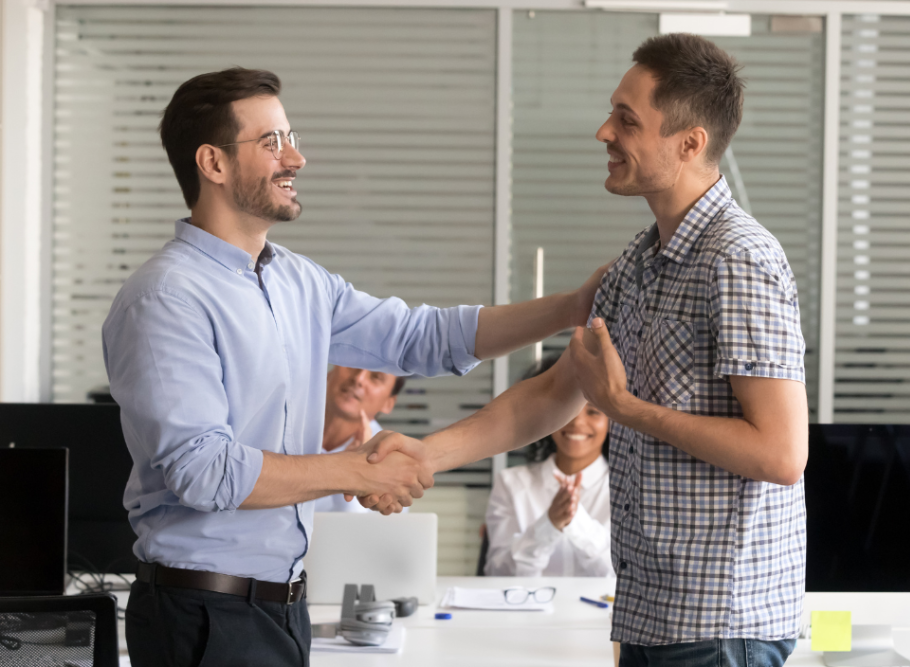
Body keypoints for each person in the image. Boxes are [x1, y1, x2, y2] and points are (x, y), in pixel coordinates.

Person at [102, 67, 606, 667]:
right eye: (272, 143)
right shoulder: (165, 298)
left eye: (290, 137)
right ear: (212, 163)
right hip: (202, 614)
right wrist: (358, 472)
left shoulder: (297, 280)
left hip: (283, 608)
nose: (297, 157)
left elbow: (423, 337)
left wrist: (571, 307)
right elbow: (204, 471)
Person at [365, 33, 808, 667]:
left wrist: (626, 410)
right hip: (653, 616)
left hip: (720, 624)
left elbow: (781, 453)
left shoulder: (739, 258)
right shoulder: (636, 263)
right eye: (611, 112)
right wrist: (423, 455)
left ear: (690, 143)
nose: (605, 132)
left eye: (628, 120)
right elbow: (552, 393)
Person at [484, 355, 613, 577]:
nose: (577, 422)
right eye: (566, 408)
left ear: (613, 421)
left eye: (593, 411)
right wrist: (549, 524)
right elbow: (498, 573)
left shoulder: (629, 488)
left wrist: (577, 521)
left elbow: (620, 578)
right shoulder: (511, 483)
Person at [316, 366, 405, 512]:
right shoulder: (280, 418)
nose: (359, 379)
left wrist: (354, 473)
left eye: (376, 377)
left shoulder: (391, 463)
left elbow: (361, 529)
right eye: (353, 365)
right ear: (330, 372)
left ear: (389, 403)